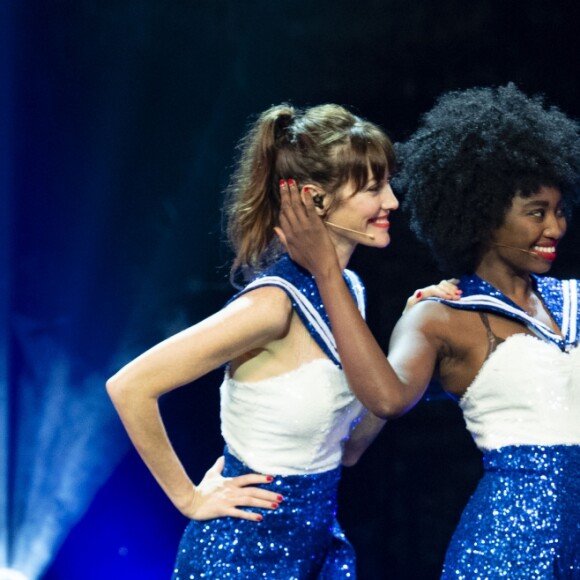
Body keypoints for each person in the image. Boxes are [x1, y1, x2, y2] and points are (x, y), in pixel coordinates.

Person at [106, 103, 457, 579]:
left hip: (317, 550)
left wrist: (408, 334)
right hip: (241, 556)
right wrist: (189, 498)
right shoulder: (272, 305)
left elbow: (350, 449)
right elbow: (129, 386)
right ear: (315, 199)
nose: (392, 202)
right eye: (374, 188)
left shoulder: (348, 290)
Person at [276, 83, 580, 578]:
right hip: (508, 555)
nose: (557, 228)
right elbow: (384, 408)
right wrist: (327, 273)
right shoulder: (441, 314)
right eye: (537, 213)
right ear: (484, 217)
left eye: (560, 210)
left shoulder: (574, 300)